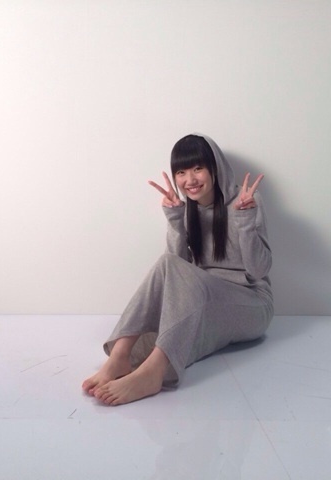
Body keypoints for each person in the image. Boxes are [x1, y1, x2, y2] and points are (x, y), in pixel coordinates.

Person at [82, 133, 273, 406]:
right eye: (181, 172)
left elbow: (259, 271)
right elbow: (176, 270)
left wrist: (244, 221)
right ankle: (120, 356)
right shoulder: (187, 209)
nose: (190, 179)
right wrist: (175, 221)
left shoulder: (245, 201)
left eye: (198, 168)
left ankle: (154, 372)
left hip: (250, 302)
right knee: (146, 342)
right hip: (205, 300)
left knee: (162, 339)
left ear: (215, 168)